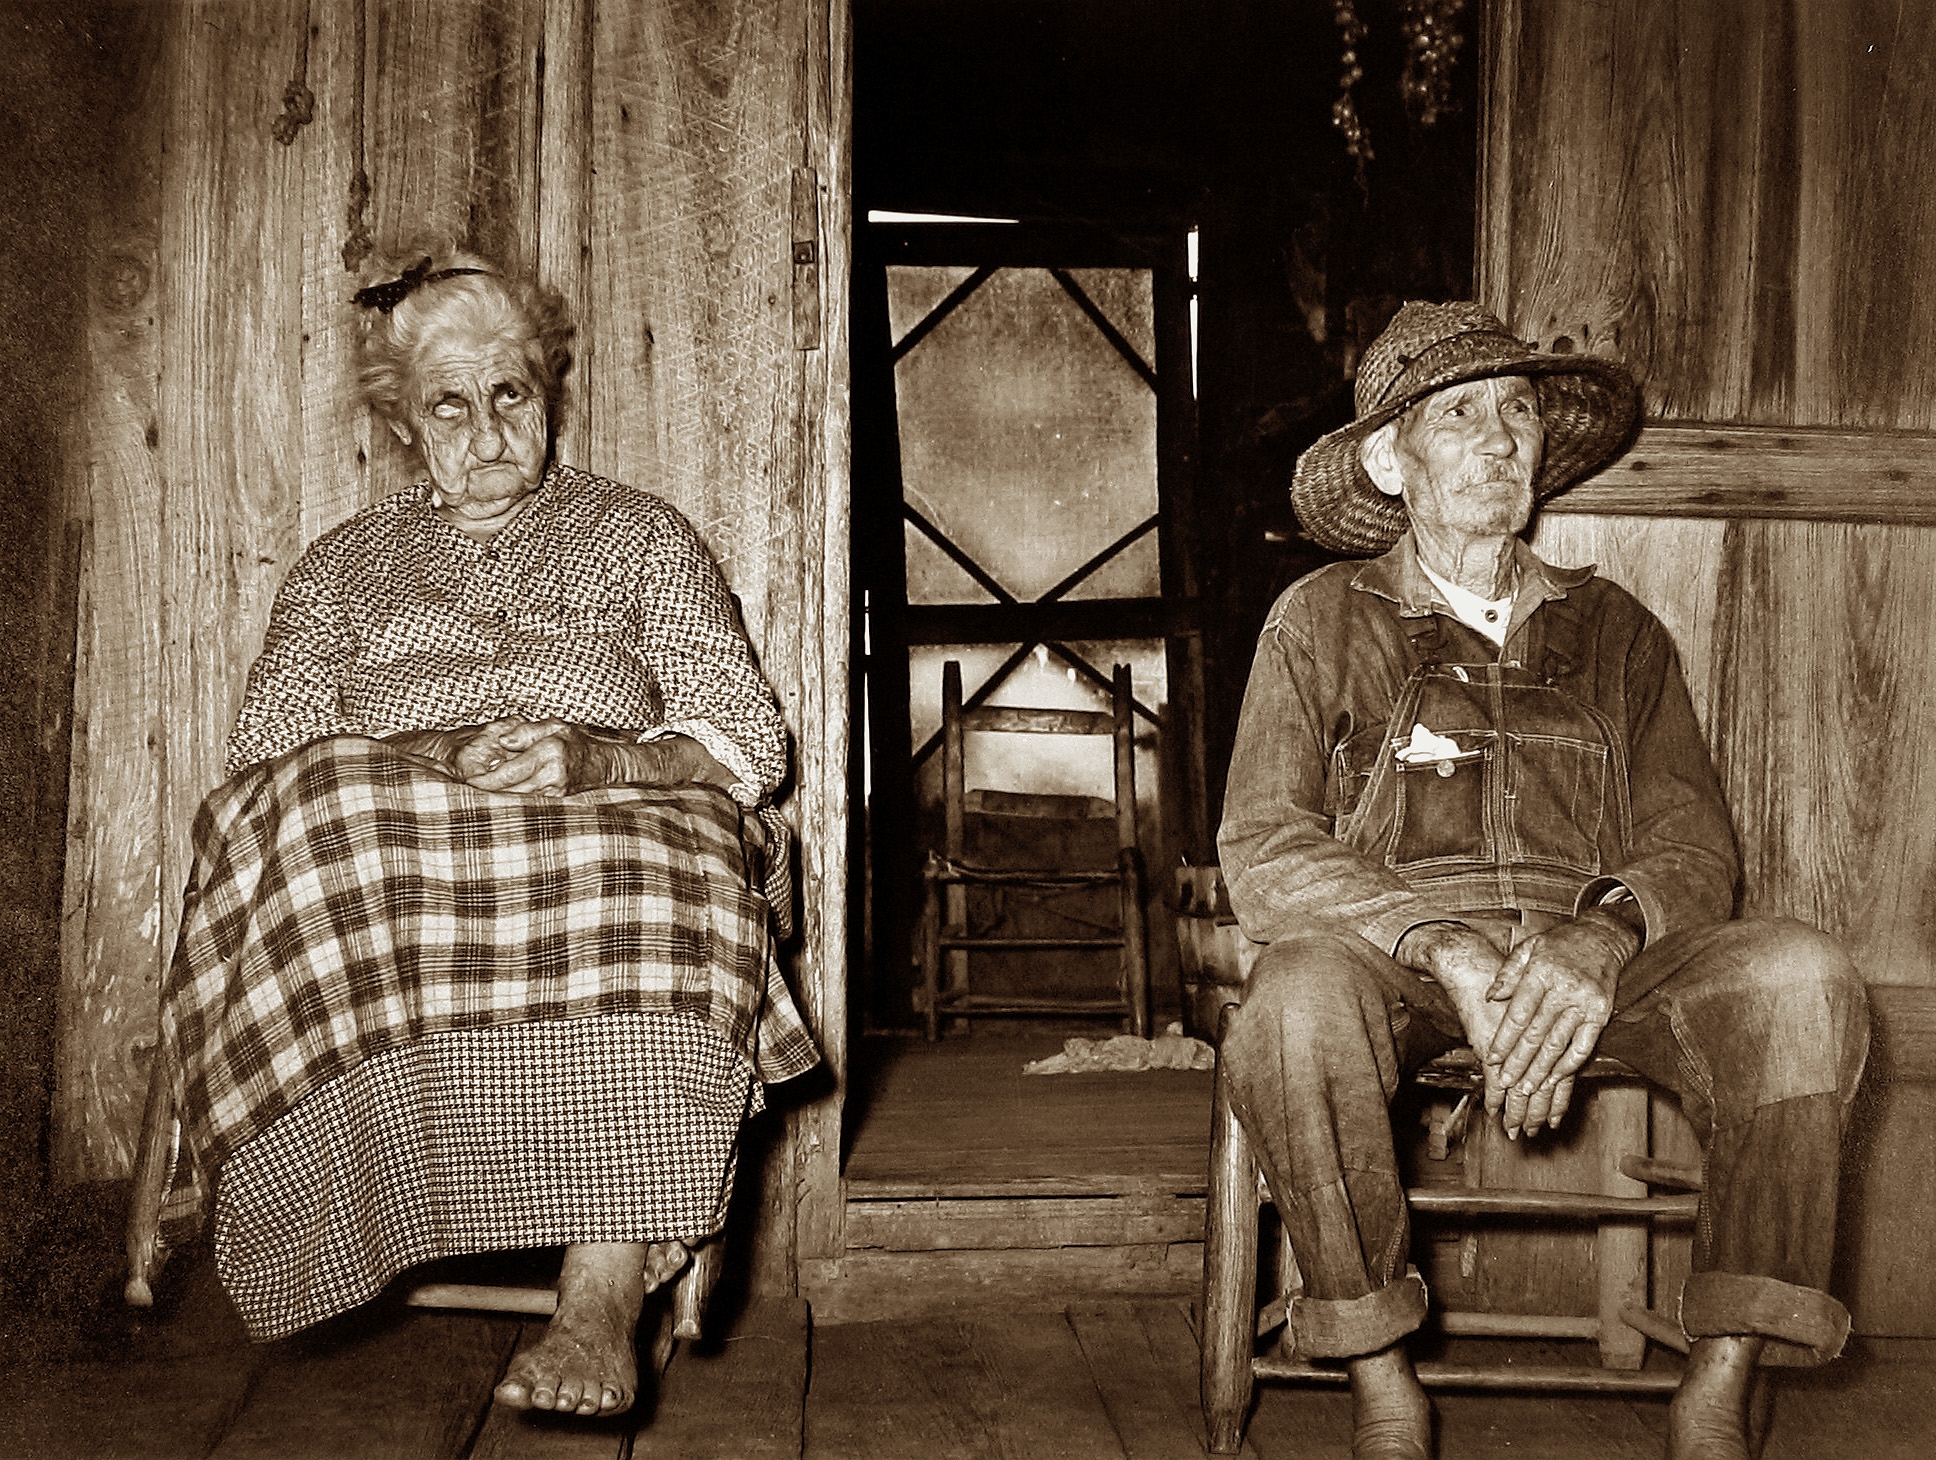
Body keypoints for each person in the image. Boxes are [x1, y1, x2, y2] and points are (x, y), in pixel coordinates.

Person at [148, 249, 817, 1417]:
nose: (488, 428)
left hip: (606, 809)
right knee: (318, 821)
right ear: (406, 428)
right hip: (388, 829)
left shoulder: (639, 535)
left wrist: (599, 756)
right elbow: (262, 760)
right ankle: (342, 1216)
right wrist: (426, 759)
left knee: (668, 858)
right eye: (448, 406)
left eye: (510, 393)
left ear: (548, 390)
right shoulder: (344, 566)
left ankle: (603, 1287)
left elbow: (748, 742)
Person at [1217, 301, 1869, 1460]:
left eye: (1514, 410)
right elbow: (1265, 842)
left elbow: (1692, 844)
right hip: (1400, 965)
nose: (1497, 437)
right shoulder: (1317, 619)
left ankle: (1719, 1384)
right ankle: (1382, 1384)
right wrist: (1443, 941)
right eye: (1457, 414)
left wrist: (1598, 936)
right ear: (1389, 459)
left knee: (1800, 975)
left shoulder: (1614, 627)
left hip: (1599, 964)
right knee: (1295, 1000)